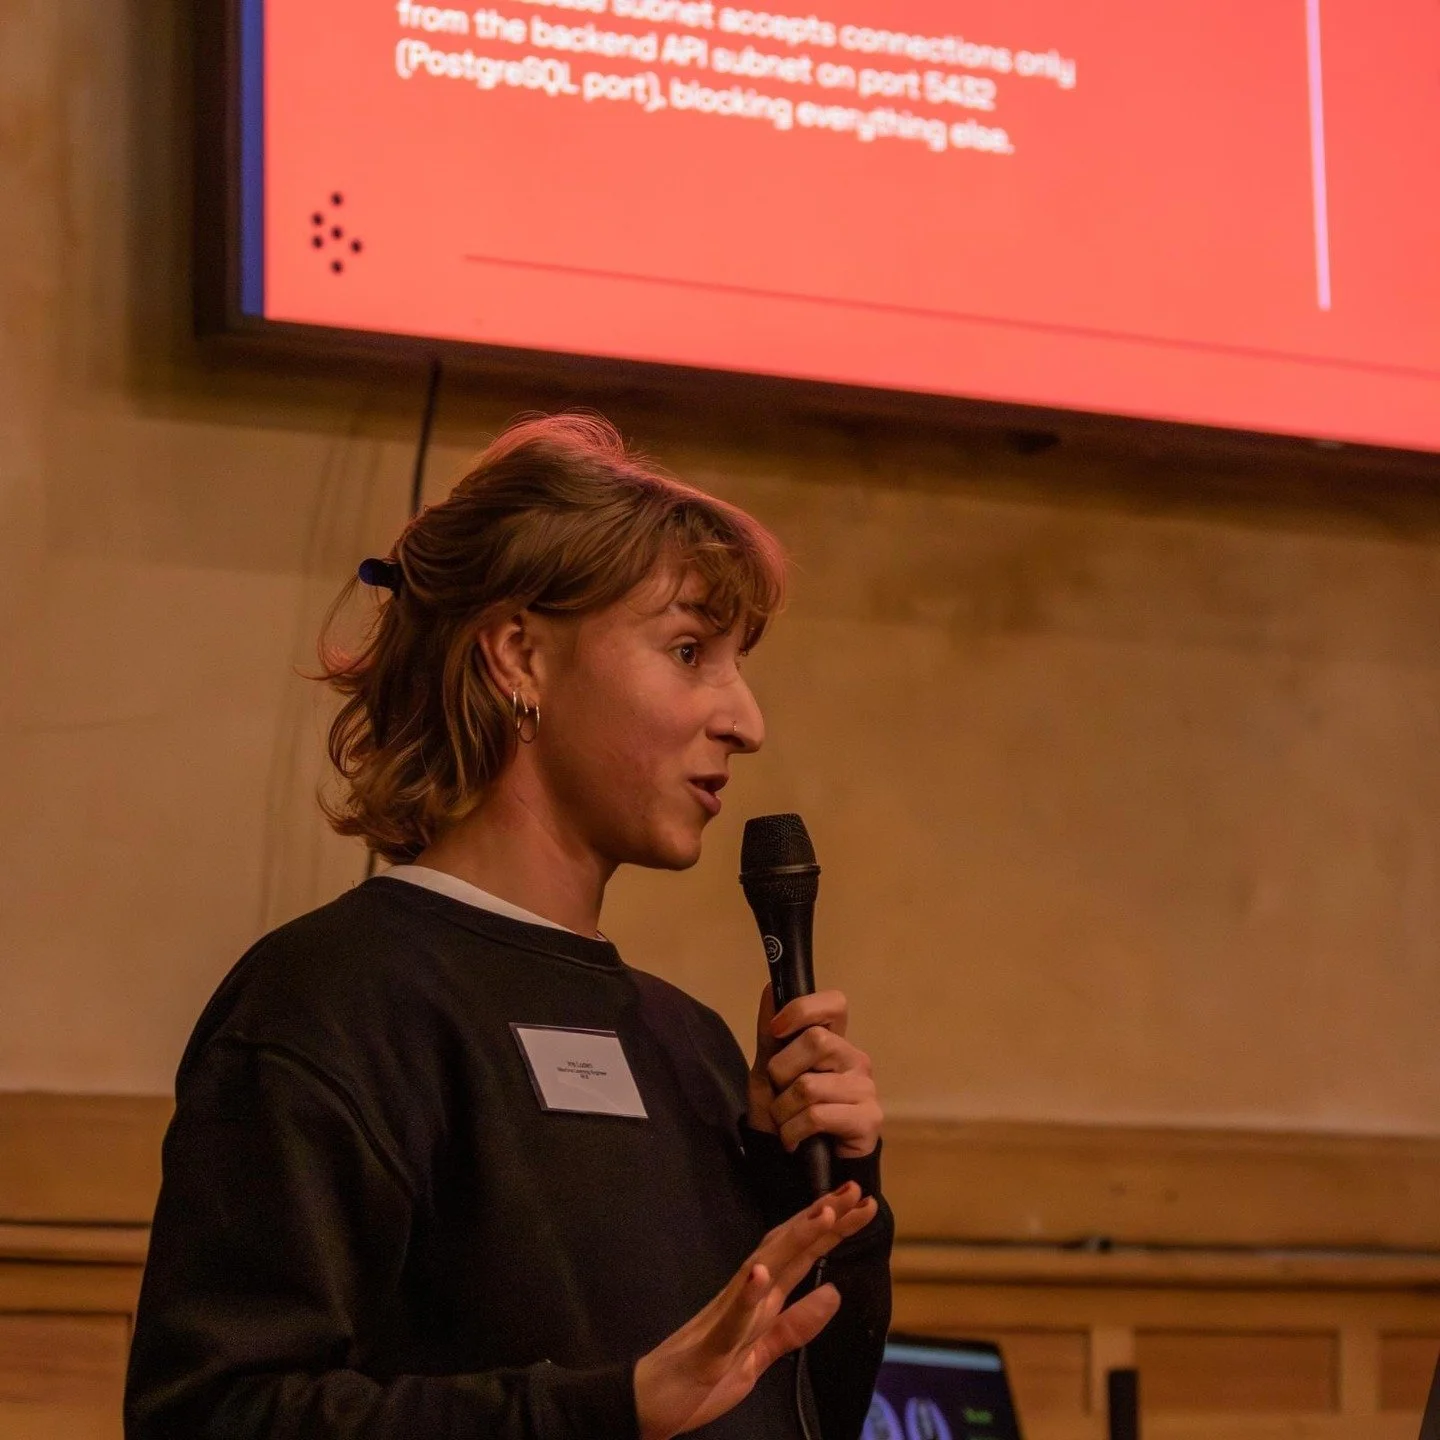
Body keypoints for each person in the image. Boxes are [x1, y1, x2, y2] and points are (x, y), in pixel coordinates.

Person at [124, 414, 893, 1440]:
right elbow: (213, 1415)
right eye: (688, 650)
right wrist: (600, 1412)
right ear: (519, 657)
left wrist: (827, 1187)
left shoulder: (695, 1050)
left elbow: (803, 1415)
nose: (745, 720)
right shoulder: (332, 1003)